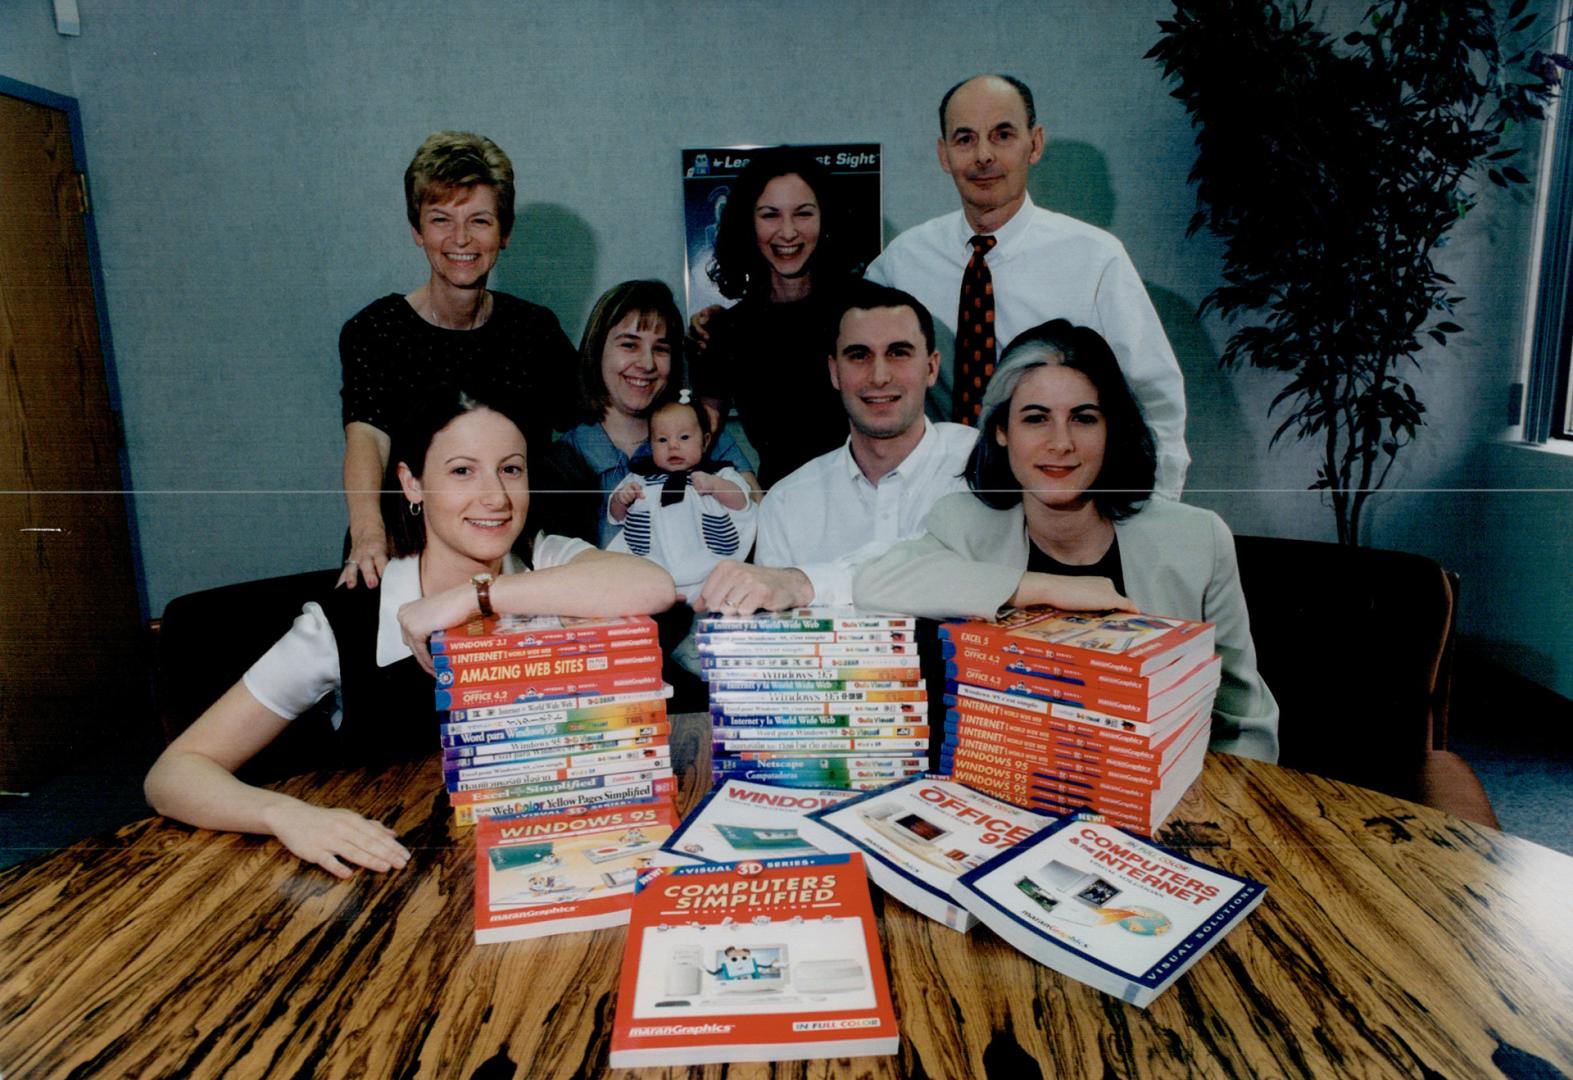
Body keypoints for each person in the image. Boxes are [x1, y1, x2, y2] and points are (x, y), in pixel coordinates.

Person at [145, 389, 676, 879]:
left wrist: (471, 598)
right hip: (398, 873)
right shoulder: (343, 621)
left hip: (550, 855)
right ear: (411, 483)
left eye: (510, 469)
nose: (495, 496)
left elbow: (652, 585)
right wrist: (287, 816)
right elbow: (173, 775)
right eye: (462, 471)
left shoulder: (548, 558)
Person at [853, 320, 1278, 763]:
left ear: (1111, 429)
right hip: (1019, 785)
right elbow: (873, 582)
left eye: (1083, 418)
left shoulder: (1197, 539)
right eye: (1035, 418)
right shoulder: (964, 523)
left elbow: (1244, 723)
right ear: (1002, 431)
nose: (1060, 443)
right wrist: (1042, 586)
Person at [865, 74, 1190, 498]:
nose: (983, 156)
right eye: (965, 139)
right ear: (943, 155)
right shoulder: (901, 263)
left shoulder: (1096, 259)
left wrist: (1152, 515)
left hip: (1060, 501)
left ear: (1034, 144)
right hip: (936, 503)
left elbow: (1155, 402)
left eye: (1002, 135)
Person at [338, 131, 576, 590]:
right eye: (441, 219)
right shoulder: (376, 330)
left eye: (480, 221)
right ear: (417, 230)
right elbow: (367, 437)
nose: (461, 239)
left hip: (508, 554)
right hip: (405, 553)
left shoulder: (534, 329)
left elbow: (592, 412)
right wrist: (368, 534)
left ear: (504, 233)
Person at [692, 282, 977, 614]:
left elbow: (954, 572)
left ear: (931, 368)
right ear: (834, 372)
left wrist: (804, 583)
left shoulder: (979, 463)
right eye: (859, 356)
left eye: (899, 353)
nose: (879, 376)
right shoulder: (786, 504)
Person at [690, 147, 861, 486]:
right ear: (747, 223)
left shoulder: (869, 310)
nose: (787, 232)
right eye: (770, 215)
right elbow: (697, 436)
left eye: (803, 214)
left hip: (875, 504)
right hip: (780, 510)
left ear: (825, 217)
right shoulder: (723, 330)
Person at [549, 280, 756, 547]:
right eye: (629, 345)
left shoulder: (703, 434)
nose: (647, 364)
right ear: (597, 349)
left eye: (660, 349)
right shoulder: (565, 462)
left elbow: (759, 520)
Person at [606, 392, 757, 602]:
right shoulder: (640, 478)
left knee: (725, 591)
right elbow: (615, 516)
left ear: (705, 442)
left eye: (684, 437)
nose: (673, 446)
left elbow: (742, 502)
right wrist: (621, 500)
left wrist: (714, 486)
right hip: (653, 569)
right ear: (651, 445)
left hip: (709, 569)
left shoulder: (720, 474)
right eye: (662, 439)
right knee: (632, 590)